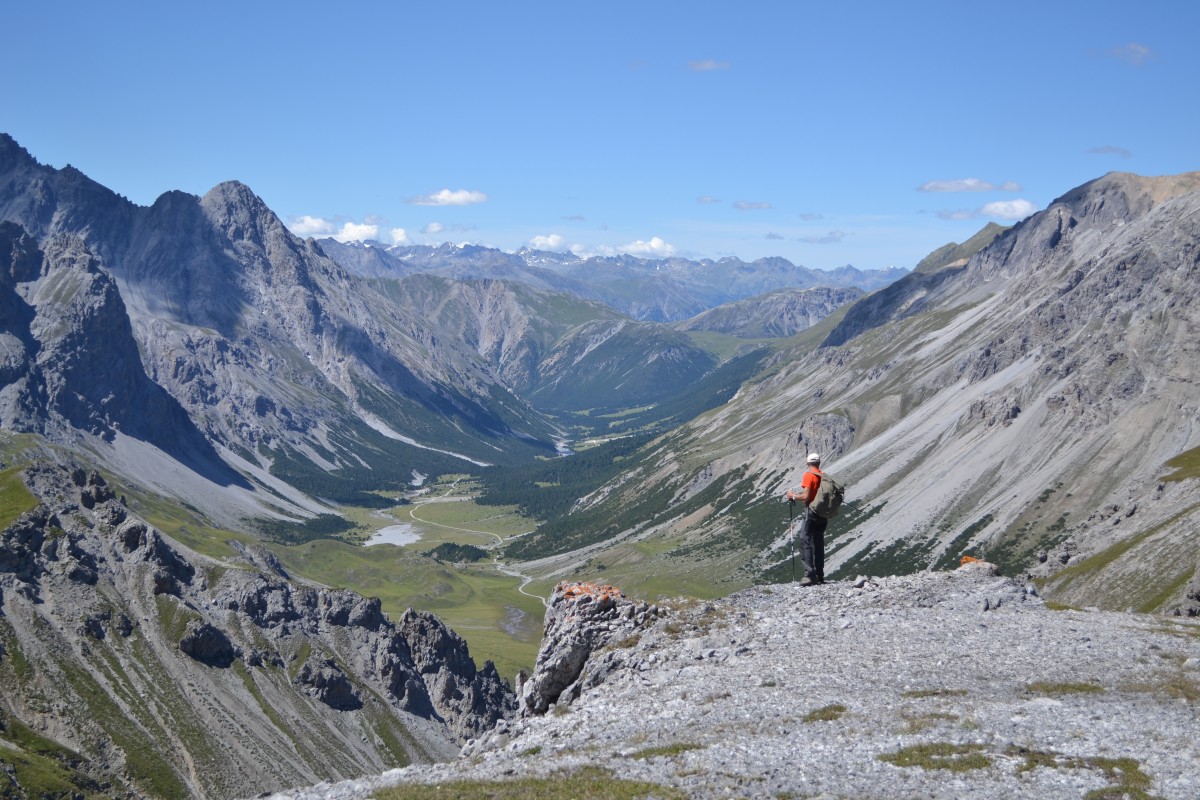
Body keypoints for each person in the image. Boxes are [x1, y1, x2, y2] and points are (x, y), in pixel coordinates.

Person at [785, 453, 827, 586]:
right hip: (823, 513)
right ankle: (819, 575)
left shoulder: (809, 475)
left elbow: (806, 497)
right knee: (818, 543)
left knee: (805, 541)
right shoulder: (823, 476)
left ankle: (809, 575)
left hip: (812, 512)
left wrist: (792, 496)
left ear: (808, 463)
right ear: (819, 463)